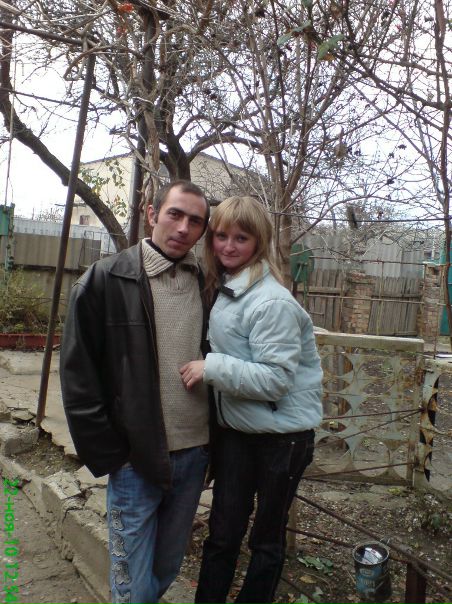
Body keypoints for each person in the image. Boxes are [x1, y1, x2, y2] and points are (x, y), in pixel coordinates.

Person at [60, 180, 211, 604]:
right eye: (175, 214)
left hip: (194, 454)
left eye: (195, 221)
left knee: (166, 567)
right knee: (131, 581)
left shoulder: (209, 284)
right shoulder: (105, 280)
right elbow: (77, 376)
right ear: (152, 213)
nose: (183, 227)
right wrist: (113, 453)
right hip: (134, 460)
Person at [180, 196, 323, 604]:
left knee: (266, 540)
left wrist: (211, 367)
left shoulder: (271, 301)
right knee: (223, 533)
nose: (228, 246)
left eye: (241, 238)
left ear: (259, 242)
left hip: (282, 439)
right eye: (221, 236)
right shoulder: (227, 287)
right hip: (239, 433)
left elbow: (276, 380)